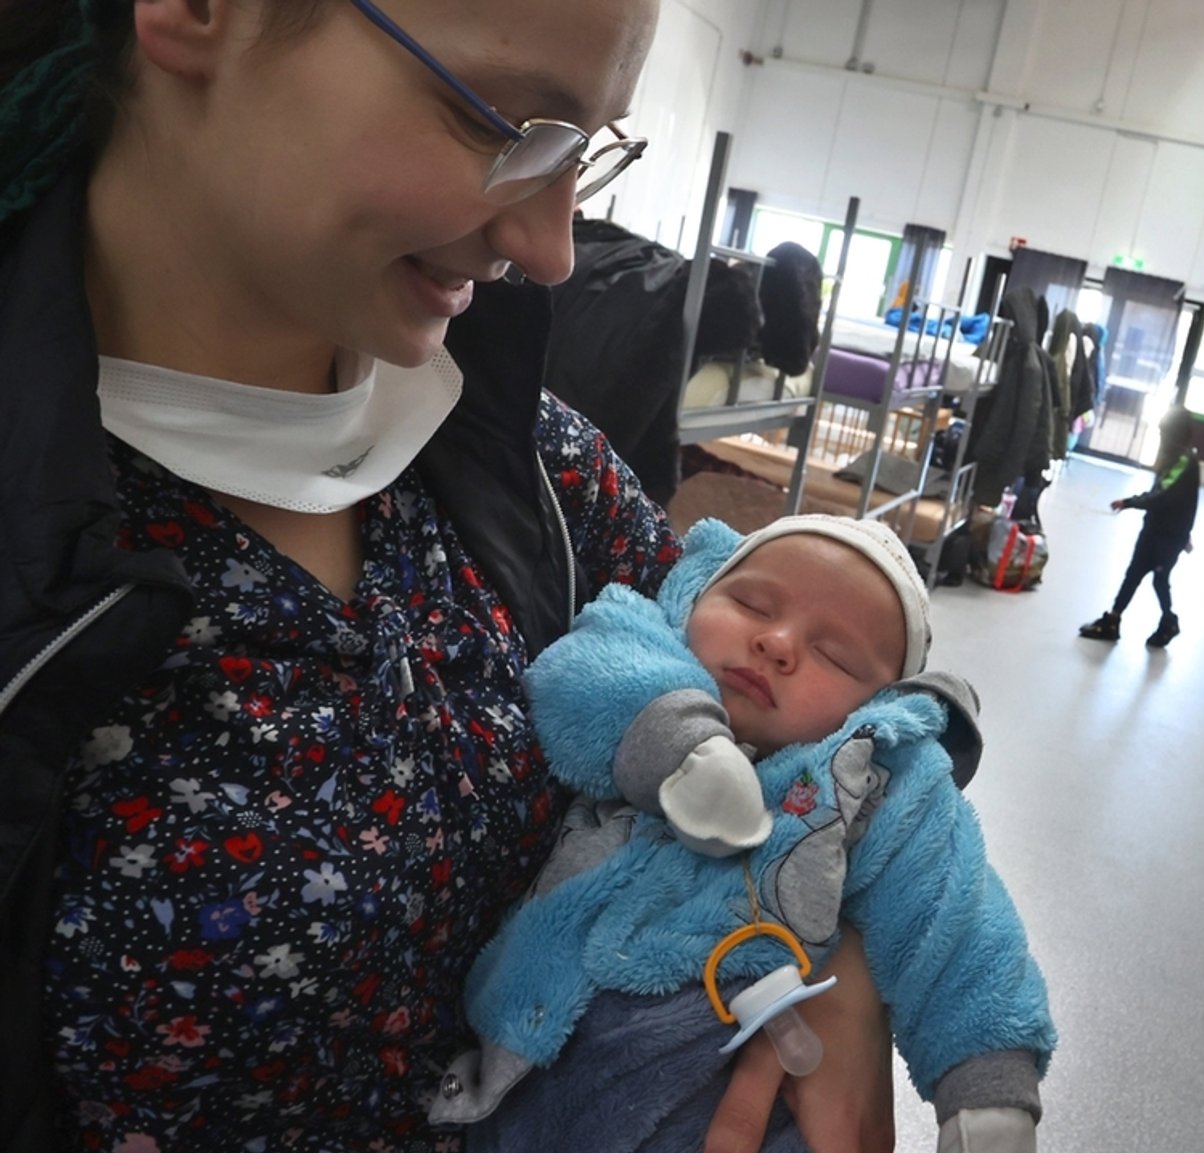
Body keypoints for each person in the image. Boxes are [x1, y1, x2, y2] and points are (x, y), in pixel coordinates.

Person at [0, 1, 894, 1148]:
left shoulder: (529, 468)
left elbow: (819, 731)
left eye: (583, 149)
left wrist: (842, 946)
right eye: (499, 119)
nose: (552, 247)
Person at [433, 515, 1055, 1152]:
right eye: (752, 603)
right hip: (524, 1078)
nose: (778, 642)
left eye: (833, 655)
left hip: (733, 1096)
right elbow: (581, 675)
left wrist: (987, 1094)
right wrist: (679, 744)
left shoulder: (879, 781)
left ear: (875, 706)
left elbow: (957, 924)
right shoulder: (648, 646)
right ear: (698, 593)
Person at [1079, 408, 1200, 648]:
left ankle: (1169, 621)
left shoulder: (1185, 460)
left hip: (1167, 536)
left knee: (1159, 579)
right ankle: (1113, 620)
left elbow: (1164, 496)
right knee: (1134, 573)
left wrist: (1130, 502)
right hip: (1156, 531)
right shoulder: (1176, 458)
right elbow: (1167, 495)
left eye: (1163, 432)